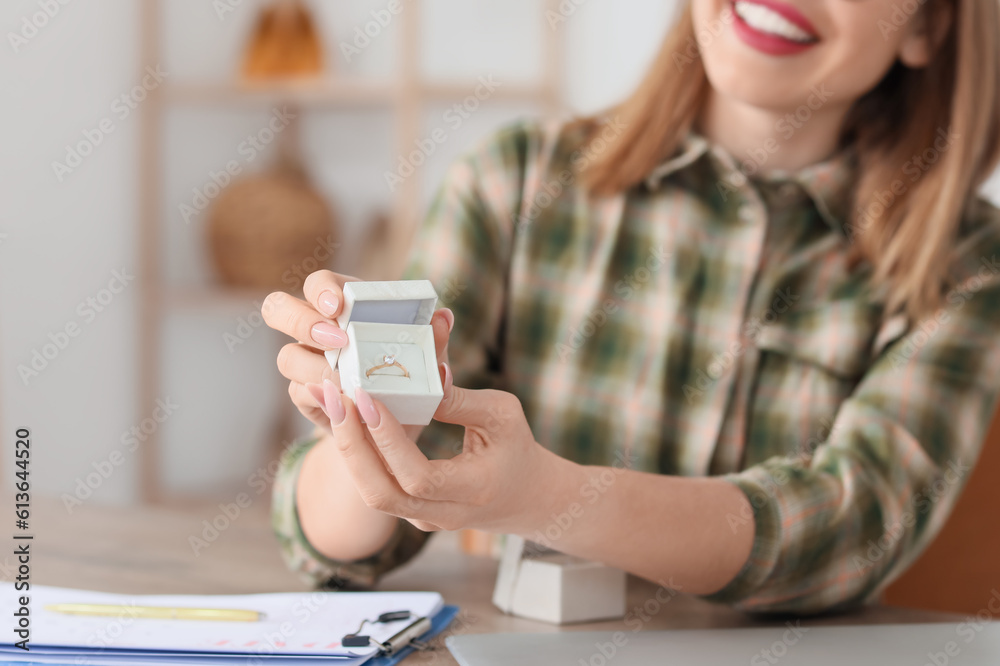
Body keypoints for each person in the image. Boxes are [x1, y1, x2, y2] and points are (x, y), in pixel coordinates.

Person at [261, 0, 1000, 613]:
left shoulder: (966, 266)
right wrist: (365, 421)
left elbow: (850, 529)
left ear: (928, 26)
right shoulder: (515, 182)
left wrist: (548, 498)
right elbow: (326, 539)